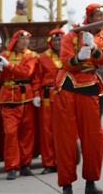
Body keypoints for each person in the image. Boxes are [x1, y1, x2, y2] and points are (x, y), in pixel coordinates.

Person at [54, 3, 103, 194]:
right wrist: (79, 57)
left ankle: (90, 182)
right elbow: (65, 60)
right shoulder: (71, 35)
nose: (100, 17)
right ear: (88, 17)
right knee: (65, 140)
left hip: (89, 88)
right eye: (96, 14)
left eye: (102, 14)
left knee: (95, 139)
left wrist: (93, 46)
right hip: (67, 88)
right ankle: (67, 185)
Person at [0, 29, 39, 180]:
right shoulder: (4, 55)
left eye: (27, 39)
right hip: (8, 99)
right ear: (15, 40)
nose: (25, 42)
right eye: (22, 39)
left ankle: (26, 165)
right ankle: (12, 166)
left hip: (26, 97)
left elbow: (27, 72)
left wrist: (9, 66)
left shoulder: (32, 56)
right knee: (10, 133)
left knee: (27, 133)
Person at [37, 28, 65, 173]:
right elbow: (36, 78)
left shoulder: (70, 55)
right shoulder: (42, 58)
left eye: (60, 39)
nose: (58, 42)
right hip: (47, 98)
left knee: (63, 132)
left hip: (65, 97)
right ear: (50, 42)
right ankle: (49, 163)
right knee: (47, 131)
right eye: (55, 40)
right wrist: (36, 94)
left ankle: (63, 162)